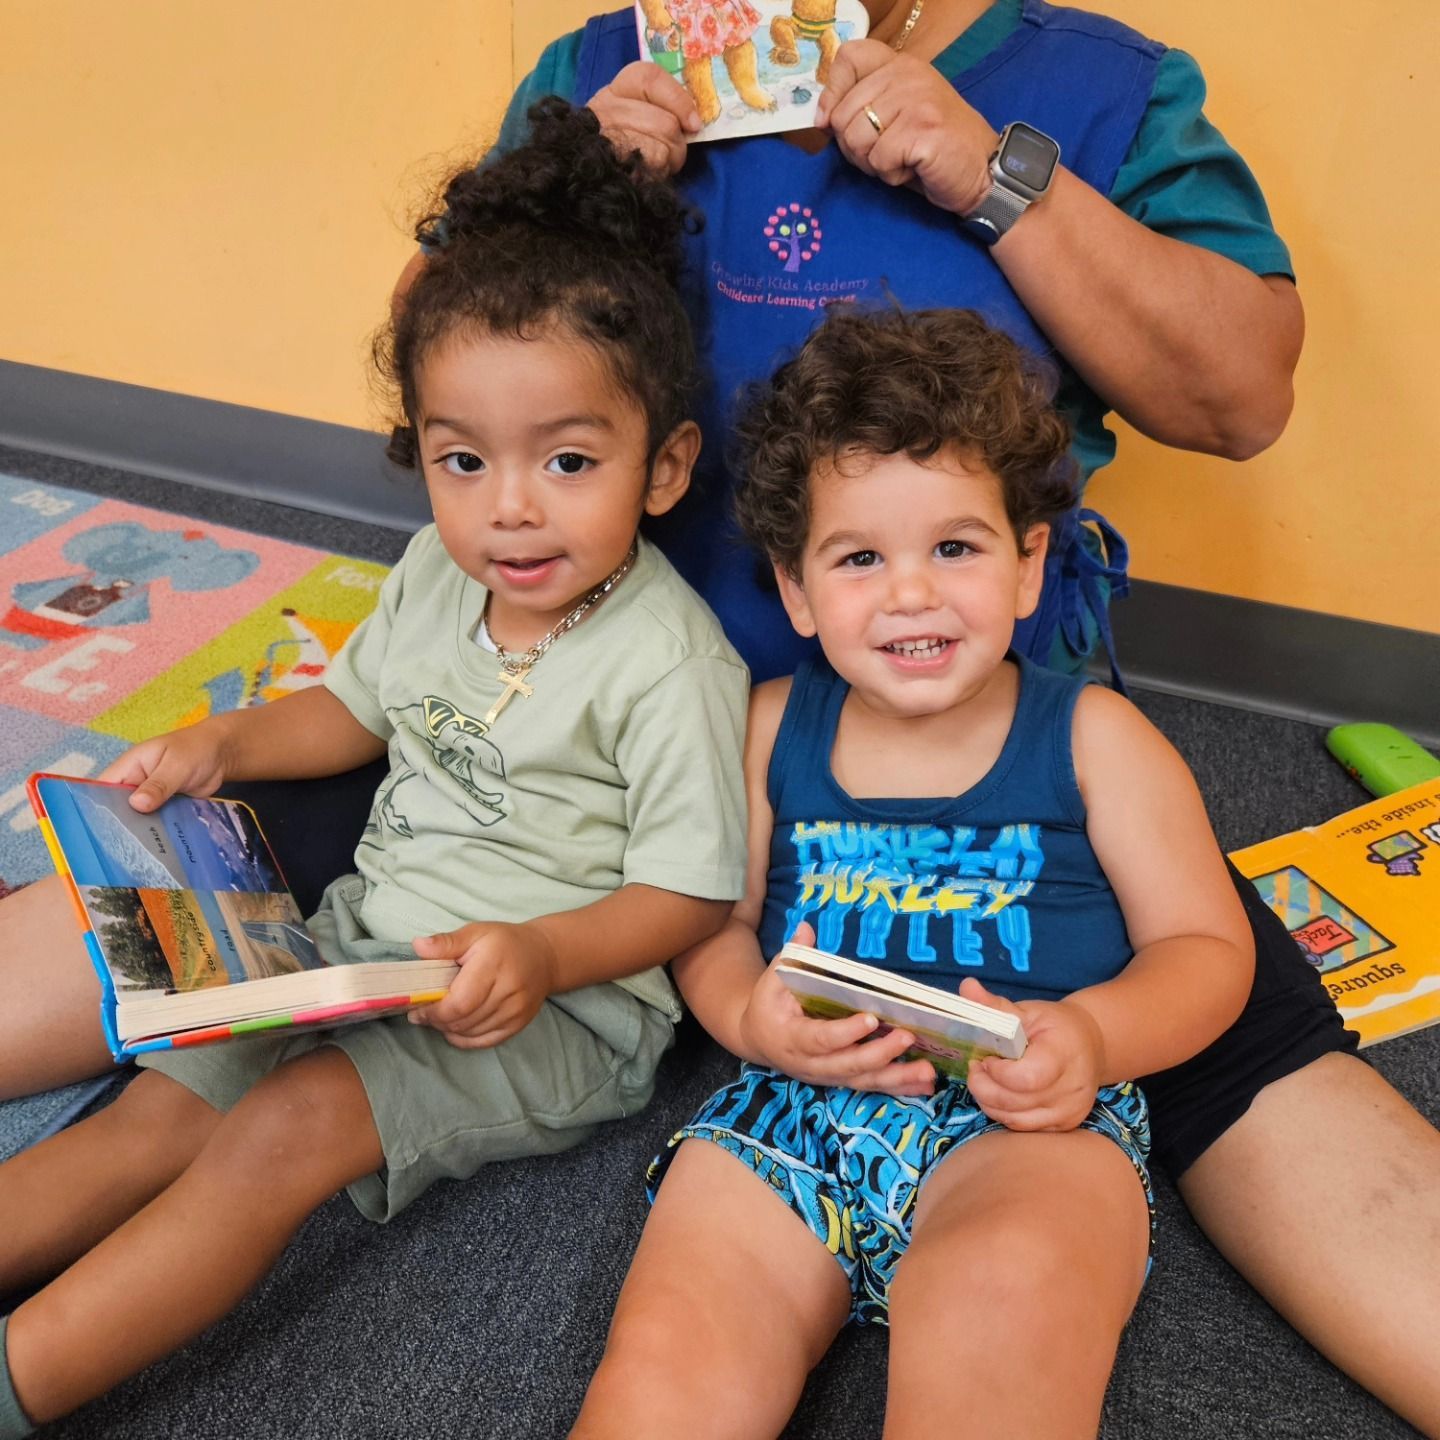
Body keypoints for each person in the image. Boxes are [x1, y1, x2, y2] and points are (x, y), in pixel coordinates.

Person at [0, 100, 749, 1436]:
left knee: (281, 1139)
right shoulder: (430, 575)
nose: (509, 507)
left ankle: (22, 1382)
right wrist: (224, 743)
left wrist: (543, 959)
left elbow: (688, 897)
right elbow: (351, 712)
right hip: (357, 944)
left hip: (556, 1010)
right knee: (148, 1121)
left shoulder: (671, 662)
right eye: (464, 461)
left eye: (569, 461)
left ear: (665, 464)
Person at [573, 305, 1257, 1438]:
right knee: (662, 1380)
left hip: (1033, 1127)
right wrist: (749, 1014)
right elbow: (709, 918)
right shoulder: (766, 729)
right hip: (793, 1113)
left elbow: (1208, 949)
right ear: (795, 591)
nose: (910, 594)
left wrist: (1090, 1038)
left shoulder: (1096, 740)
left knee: (1002, 1341)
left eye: (954, 547)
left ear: (1030, 565)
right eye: (858, 559)